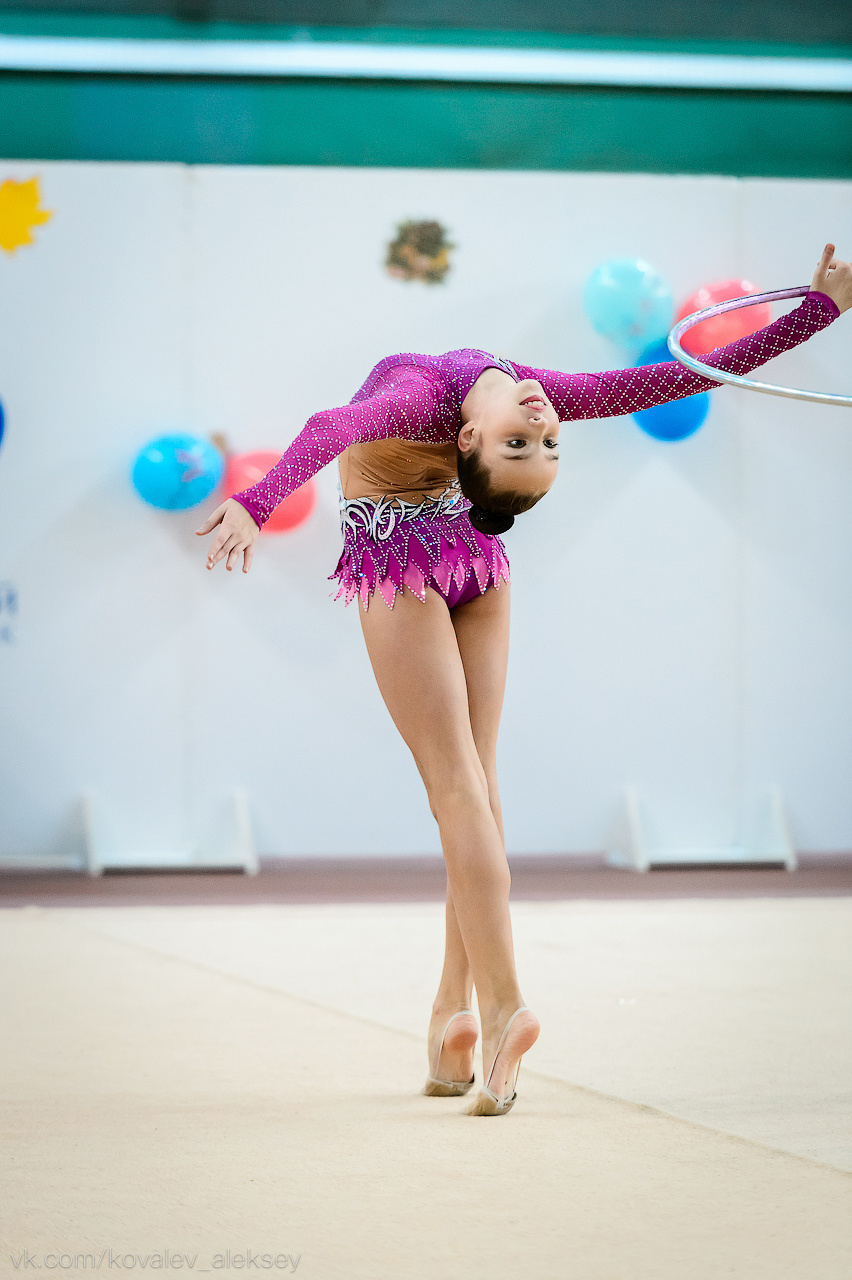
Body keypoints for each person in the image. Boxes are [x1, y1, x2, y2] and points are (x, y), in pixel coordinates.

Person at [197, 244, 850, 1117]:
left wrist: (259, 500)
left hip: (406, 556)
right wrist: (819, 313)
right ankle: (449, 1017)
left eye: (532, 441)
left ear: (467, 442)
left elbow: (328, 429)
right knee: (480, 790)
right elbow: (680, 378)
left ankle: (503, 1008)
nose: (544, 421)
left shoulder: (432, 398)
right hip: (473, 562)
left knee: (458, 791)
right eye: (536, 442)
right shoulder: (491, 389)